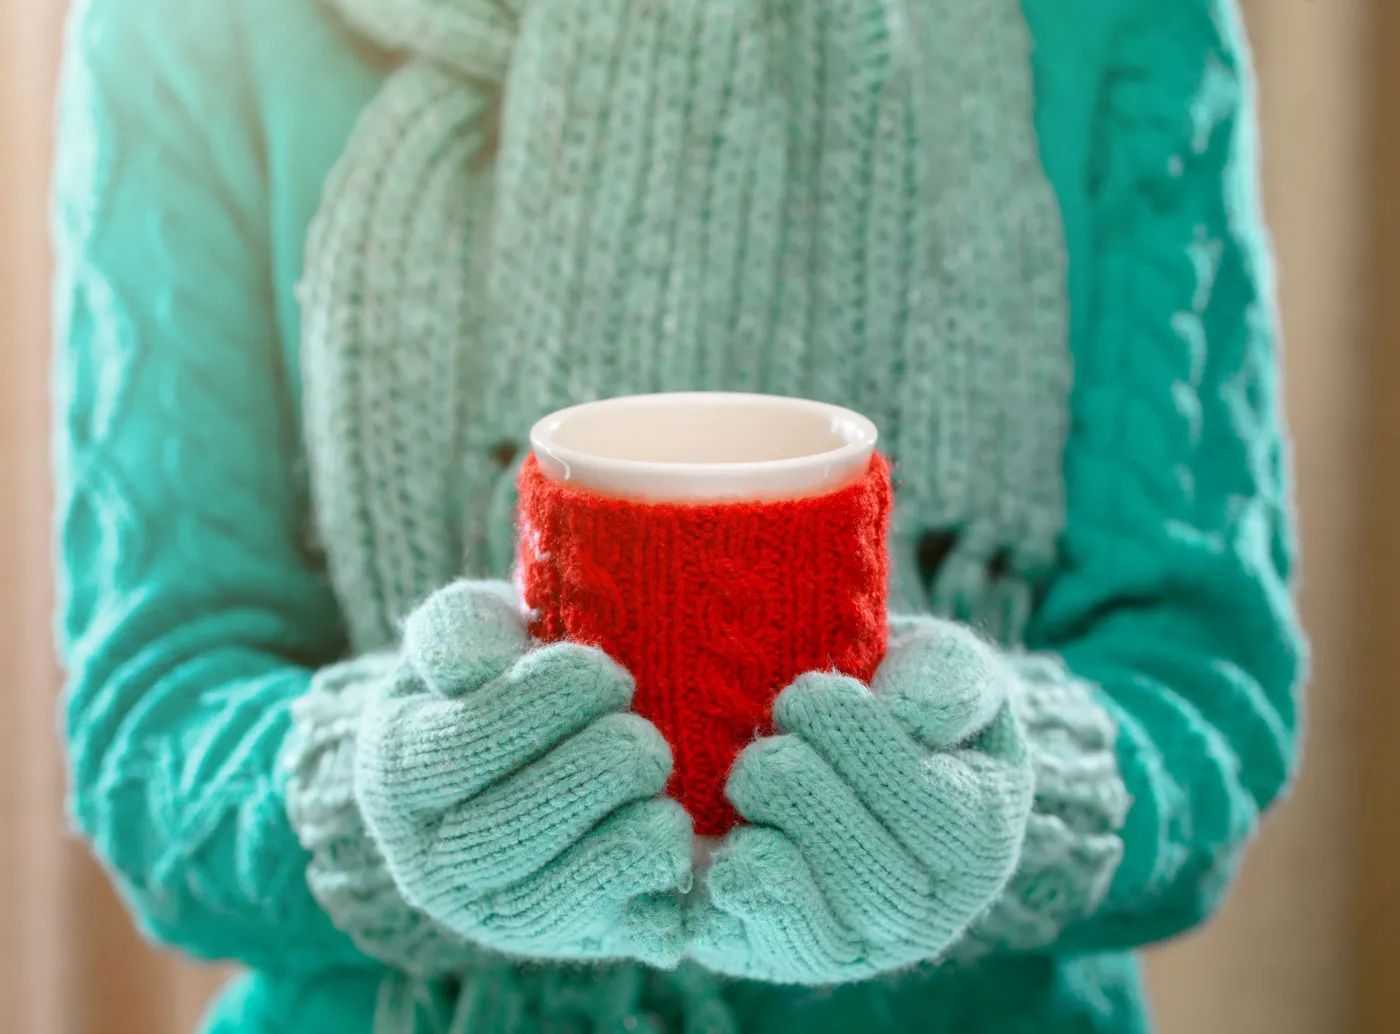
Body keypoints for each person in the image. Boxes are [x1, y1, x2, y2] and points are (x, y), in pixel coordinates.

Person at [51, 0, 1306, 1032]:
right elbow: (149, 723)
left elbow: (1204, 690)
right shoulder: (188, 26)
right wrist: (384, 797)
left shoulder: (1129, 25)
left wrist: (1002, 805)